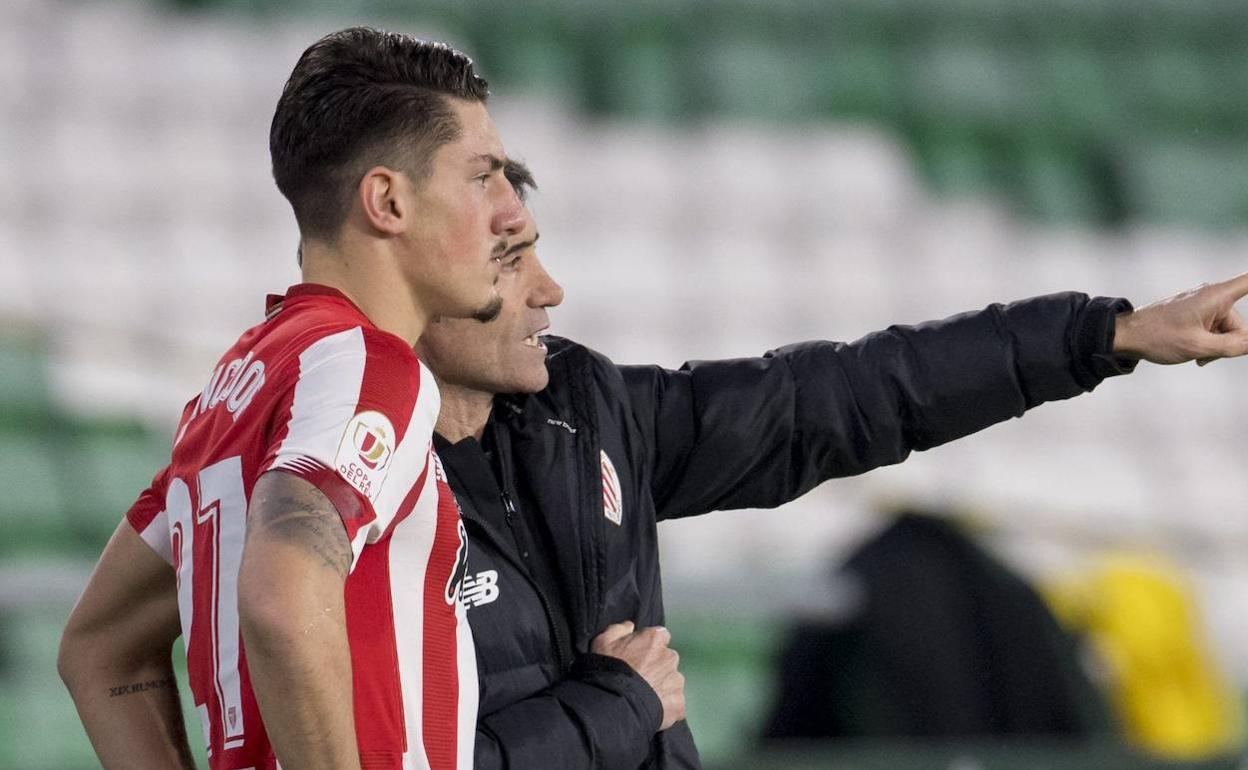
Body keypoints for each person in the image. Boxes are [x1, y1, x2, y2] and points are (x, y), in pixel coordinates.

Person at [414, 161, 1248, 769]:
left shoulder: (583, 409)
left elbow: (849, 395)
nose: (550, 289)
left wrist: (1106, 337)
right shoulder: (340, 485)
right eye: (509, 258)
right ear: (402, 246)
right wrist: (618, 707)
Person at [57, 27, 526, 770]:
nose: (512, 214)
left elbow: (100, 646)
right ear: (387, 201)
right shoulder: (372, 366)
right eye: (482, 177)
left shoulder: (239, 382)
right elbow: (281, 594)